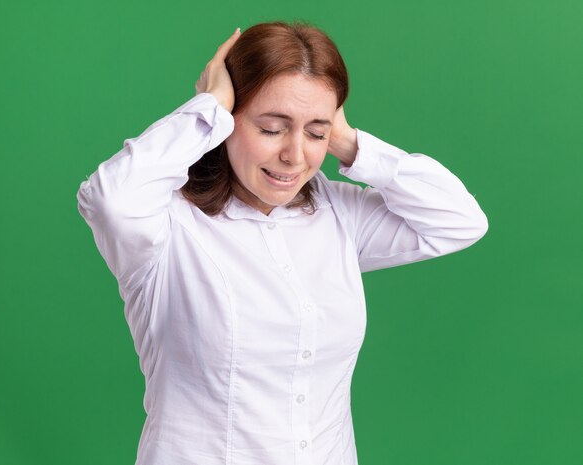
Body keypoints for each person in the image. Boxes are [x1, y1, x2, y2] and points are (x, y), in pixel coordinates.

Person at [77, 21, 488, 465]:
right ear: (229, 122)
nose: (295, 155)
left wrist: (349, 144)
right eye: (272, 128)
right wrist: (210, 106)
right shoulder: (168, 225)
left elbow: (459, 221)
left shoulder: (337, 213)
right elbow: (108, 199)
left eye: (315, 133)